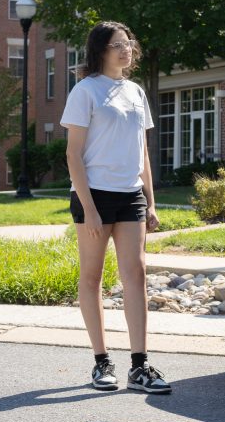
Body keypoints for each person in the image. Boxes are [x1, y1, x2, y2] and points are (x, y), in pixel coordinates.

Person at [60, 21, 171, 394]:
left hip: (130, 195)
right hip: (94, 194)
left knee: (135, 275)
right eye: (116, 45)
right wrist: (89, 209)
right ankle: (101, 362)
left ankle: (139, 366)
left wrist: (151, 202)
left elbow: (142, 153)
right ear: (100, 51)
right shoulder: (85, 91)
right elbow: (73, 154)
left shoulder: (136, 92)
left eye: (128, 43)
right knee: (92, 278)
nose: (125, 50)